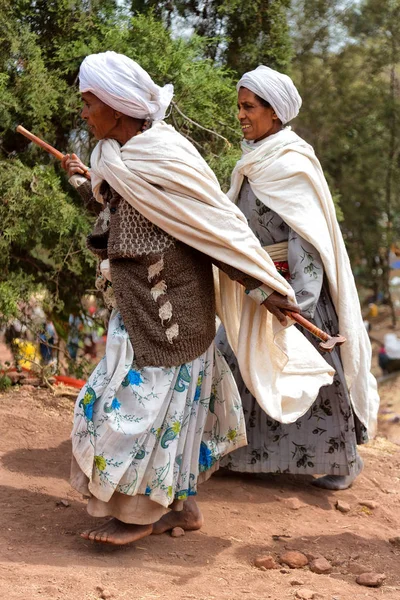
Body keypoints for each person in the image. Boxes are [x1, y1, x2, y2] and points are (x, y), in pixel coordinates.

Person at [61, 52, 333, 546]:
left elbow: (216, 233)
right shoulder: (113, 157)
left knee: (136, 412)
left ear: (117, 106)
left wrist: (266, 292)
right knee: (170, 414)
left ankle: (139, 513)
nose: (83, 113)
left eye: (88, 102)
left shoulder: (165, 157)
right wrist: (82, 177)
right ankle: (179, 509)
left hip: (173, 316)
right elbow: (114, 207)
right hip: (137, 309)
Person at [216, 65, 379, 490]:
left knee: (311, 371)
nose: (241, 115)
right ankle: (239, 460)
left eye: (249, 107)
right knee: (234, 362)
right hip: (258, 289)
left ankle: (342, 463)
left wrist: (297, 304)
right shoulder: (253, 161)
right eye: (240, 106)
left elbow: (306, 238)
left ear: (275, 112)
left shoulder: (290, 164)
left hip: (294, 294)